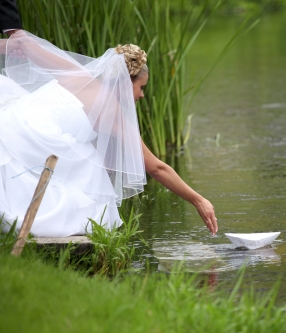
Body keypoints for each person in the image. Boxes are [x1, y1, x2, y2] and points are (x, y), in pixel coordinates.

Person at [0, 30, 218, 236]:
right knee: (91, 164)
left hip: (10, 119)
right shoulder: (114, 113)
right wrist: (198, 200)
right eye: (141, 87)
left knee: (87, 151)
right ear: (125, 82)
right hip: (32, 136)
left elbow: (23, 43)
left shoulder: (78, 73)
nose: (142, 95)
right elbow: (156, 168)